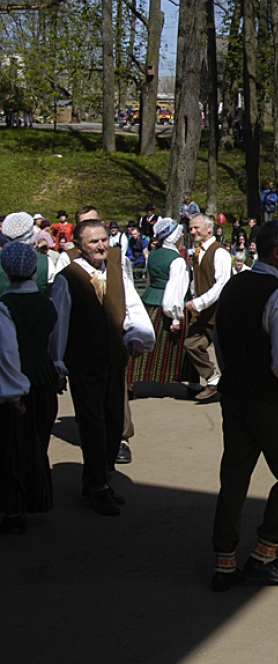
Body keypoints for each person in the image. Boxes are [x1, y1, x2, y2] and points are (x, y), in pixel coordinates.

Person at [210, 221, 278, 592]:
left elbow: (219, 341)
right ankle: (264, 552)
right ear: (276, 252)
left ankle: (224, 561)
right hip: (268, 398)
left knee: (235, 474)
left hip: (235, 393)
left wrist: (232, 375)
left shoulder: (233, 286)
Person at [51, 220, 155, 515]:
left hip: (113, 360)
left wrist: (136, 336)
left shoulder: (115, 271)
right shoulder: (67, 278)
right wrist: (58, 365)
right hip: (84, 363)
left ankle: (99, 479)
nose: (100, 246)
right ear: (79, 246)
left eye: (103, 240)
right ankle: (97, 487)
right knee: (93, 425)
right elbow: (60, 324)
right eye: (93, 242)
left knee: (113, 423)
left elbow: (131, 307)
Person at [0, 242, 60, 533]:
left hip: (19, 386)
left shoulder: (5, 307)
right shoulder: (46, 304)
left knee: (14, 449)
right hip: (44, 380)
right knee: (39, 443)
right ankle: (36, 497)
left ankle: (14, 509)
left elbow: (8, 353)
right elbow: (53, 344)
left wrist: (12, 394)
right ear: (34, 269)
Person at [126, 218, 196, 389]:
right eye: (179, 234)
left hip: (150, 301)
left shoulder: (154, 254)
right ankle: (193, 386)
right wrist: (176, 319)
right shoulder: (177, 260)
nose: (181, 237)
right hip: (169, 305)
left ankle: (129, 384)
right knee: (178, 349)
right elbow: (175, 291)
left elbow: (151, 281)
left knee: (145, 342)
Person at [184, 214, 231, 401]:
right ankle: (213, 379)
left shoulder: (219, 253)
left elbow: (221, 285)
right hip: (203, 312)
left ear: (209, 229)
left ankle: (235, 389)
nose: (192, 231)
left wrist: (200, 302)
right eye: (190, 228)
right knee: (191, 344)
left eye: (196, 227)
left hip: (219, 312)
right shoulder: (198, 252)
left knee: (226, 354)